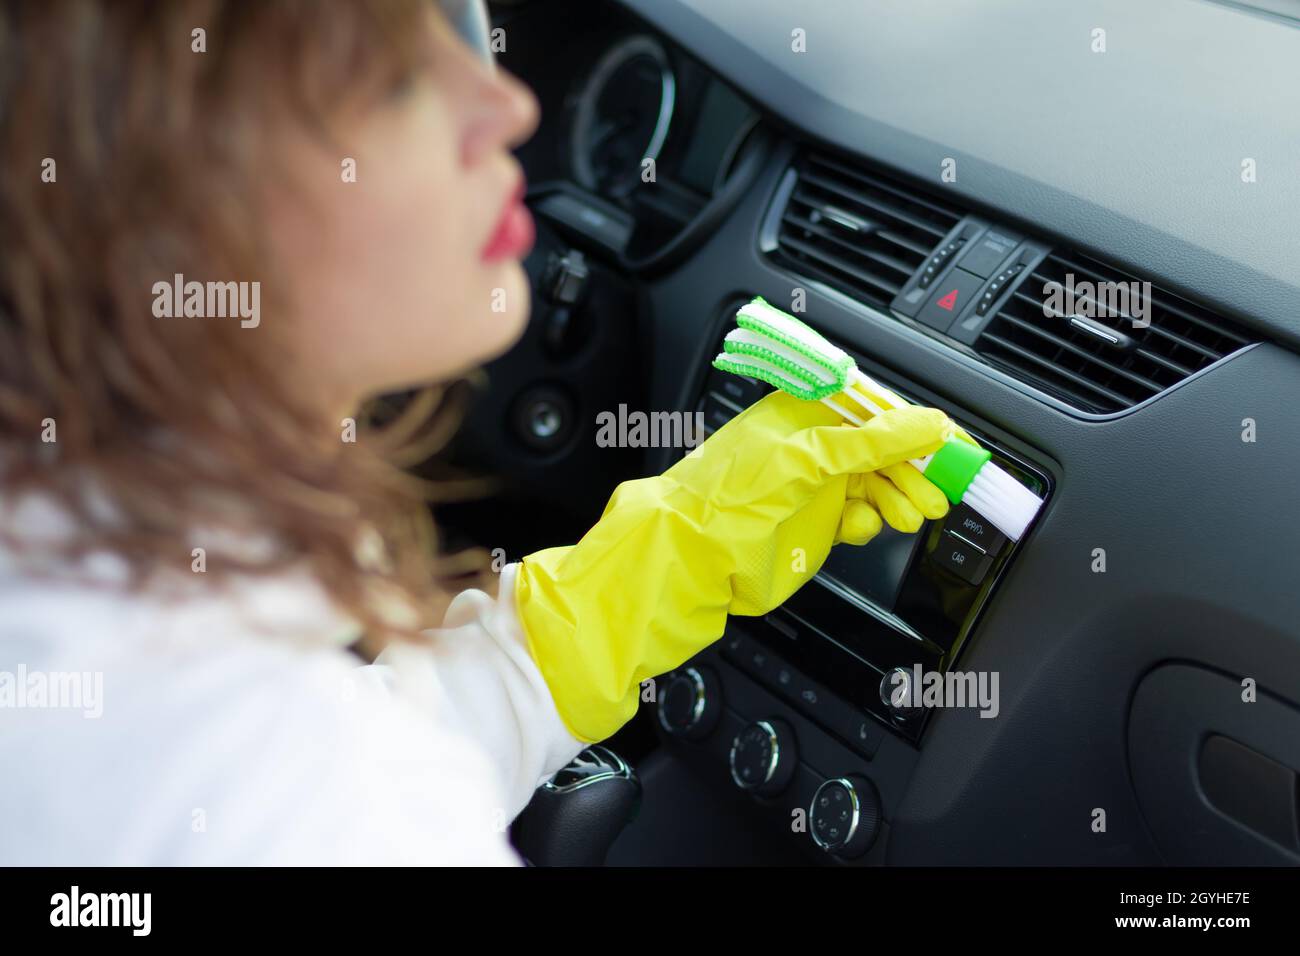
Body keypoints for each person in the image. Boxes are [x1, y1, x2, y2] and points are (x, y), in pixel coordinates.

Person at [0, 0, 952, 864]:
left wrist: (644, 578)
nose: (508, 107)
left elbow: (353, 749)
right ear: (161, 199)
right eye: (389, 76)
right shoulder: (274, 804)